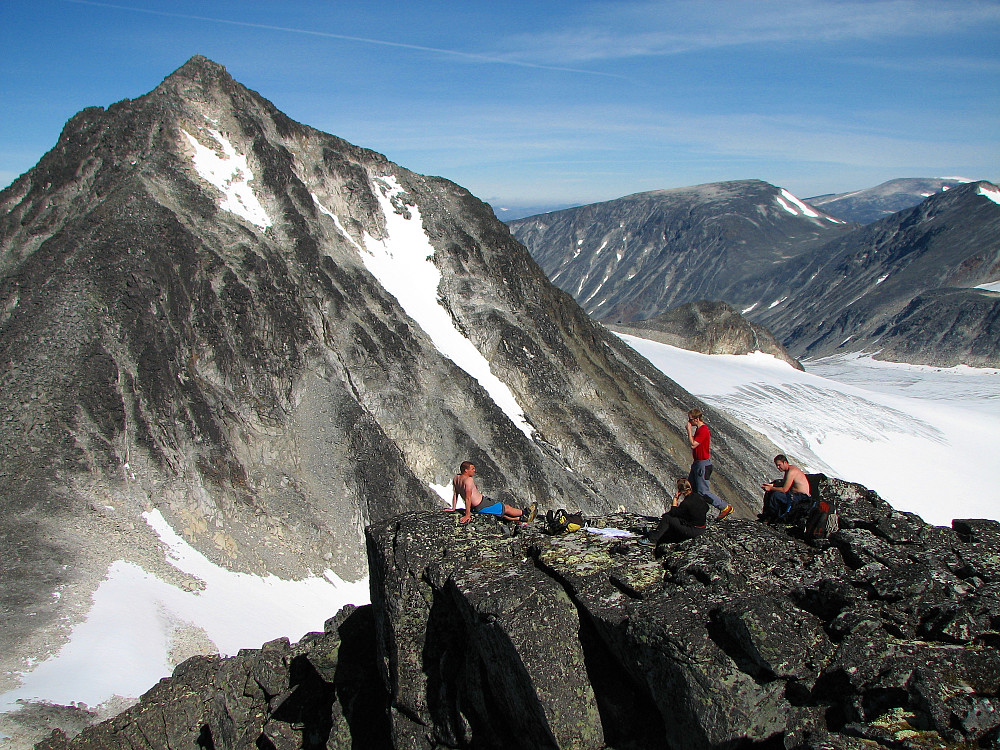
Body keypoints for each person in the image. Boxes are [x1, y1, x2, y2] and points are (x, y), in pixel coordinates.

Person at [446, 461, 534, 524]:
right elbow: (468, 498)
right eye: (472, 469)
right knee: (506, 508)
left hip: (478, 505)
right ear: (466, 470)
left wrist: (453, 508)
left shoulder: (456, 478)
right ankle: (526, 513)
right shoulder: (468, 480)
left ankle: (521, 518)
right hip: (481, 505)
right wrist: (467, 515)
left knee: (500, 513)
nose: (474, 470)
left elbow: (455, 494)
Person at [685, 408, 734, 520]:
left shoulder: (703, 430)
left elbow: (693, 444)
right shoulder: (699, 429)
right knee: (691, 489)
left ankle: (724, 507)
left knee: (702, 491)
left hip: (703, 464)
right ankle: (692, 513)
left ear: (697, 419)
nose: (689, 422)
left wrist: (688, 431)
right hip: (697, 463)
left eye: (690, 420)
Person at [647, 478, 709, 545]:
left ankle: (653, 539)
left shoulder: (686, 503)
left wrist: (675, 499)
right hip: (702, 528)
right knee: (673, 518)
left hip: (693, 530)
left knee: (667, 518)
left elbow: (673, 513)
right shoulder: (697, 496)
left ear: (680, 491)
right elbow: (707, 508)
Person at [761, 454, 811, 520]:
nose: (778, 467)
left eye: (779, 465)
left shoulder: (792, 472)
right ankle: (766, 515)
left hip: (801, 497)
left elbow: (784, 489)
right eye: (777, 465)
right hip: (795, 495)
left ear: (785, 462)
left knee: (775, 495)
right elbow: (784, 483)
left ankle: (771, 518)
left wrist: (770, 488)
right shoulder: (788, 470)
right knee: (770, 493)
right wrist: (771, 485)